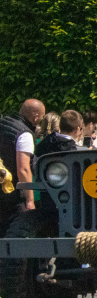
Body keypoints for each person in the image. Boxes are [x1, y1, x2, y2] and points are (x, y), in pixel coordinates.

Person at [0, 99, 46, 233]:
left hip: (2, 190)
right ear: (36, 116)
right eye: (42, 117)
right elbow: (23, 169)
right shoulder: (24, 134)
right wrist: (30, 200)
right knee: (17, 234)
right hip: (13, 196)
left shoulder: (3, 123)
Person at [35, 110, 84, 212]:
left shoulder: (44, 144)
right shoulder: (76, 152)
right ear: (77, 129)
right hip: (71, 200)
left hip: (46, 196)